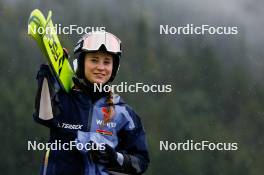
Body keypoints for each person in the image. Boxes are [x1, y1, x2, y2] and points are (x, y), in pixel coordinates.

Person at [33, 31, 150, 175]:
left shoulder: (125, 114)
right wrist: (48, 71)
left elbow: (141, 162)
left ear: (114, 68)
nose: (101, 67)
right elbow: (44, 115)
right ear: (81, 64)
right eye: (94, 60)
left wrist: (115, 158)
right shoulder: (66, 100)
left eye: (107, 62)